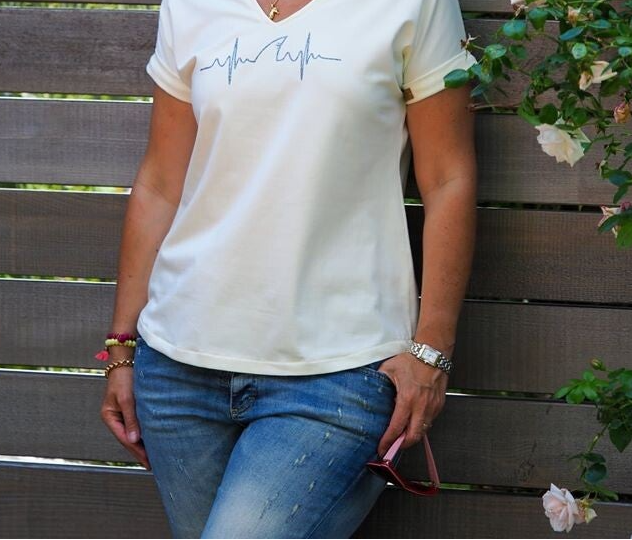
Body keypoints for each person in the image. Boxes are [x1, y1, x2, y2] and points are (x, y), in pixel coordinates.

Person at [100, 0, 479, 538]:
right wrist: (121, 346)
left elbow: (448, 180)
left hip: (339, 374)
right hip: (177, 370)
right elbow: (161, 182)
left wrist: (432, 352)